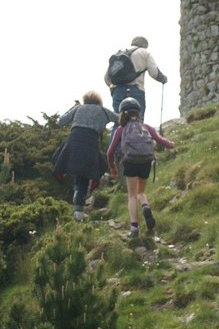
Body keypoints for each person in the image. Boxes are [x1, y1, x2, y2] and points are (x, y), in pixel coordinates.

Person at [107, 97, 175, 238]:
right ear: (138, 113)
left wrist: (113, 167)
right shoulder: (146, 127)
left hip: (130, 162)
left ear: (122, 113)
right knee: (141, 192)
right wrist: (171, 144)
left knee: (132, 196)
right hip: (146, 162)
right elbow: (161, 140)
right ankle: (145, 207)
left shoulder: (121, 129)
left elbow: (110, 151)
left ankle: (134, 229)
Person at [53, 91, 119, 221]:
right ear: (98, 101)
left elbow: (60, 122)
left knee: (75, 171)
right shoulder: (103, 111)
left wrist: (74, 108)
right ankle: (78, 209)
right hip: (90, 142)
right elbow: (120, 119)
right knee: (87, 174)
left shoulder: (79, 108)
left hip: (73, 140)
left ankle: (77, 203)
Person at [104, 36, 168, 119]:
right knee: (137, 120)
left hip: (118, 91)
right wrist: (163, 79)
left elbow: (107, 78)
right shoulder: (144, 52)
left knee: (118, 120)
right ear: (145, 45)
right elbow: (154, 73)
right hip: (136, 89)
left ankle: (117, 131)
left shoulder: (119, 54)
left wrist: (114, 88)